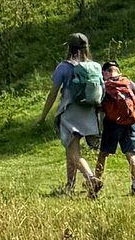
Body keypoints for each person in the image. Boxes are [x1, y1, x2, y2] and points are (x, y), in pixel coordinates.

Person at [39, 32, 105, 195]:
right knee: (70, 150)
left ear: (69, 48)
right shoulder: (95, 66)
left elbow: (53, 93)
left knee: (73, 152)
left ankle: (91, 179)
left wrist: (43, 115)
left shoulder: (64, 67)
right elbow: (102, 91)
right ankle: (69, 185)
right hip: (90, 113)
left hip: (70, 113)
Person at [92, 56, 135, 197]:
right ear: (118, 71)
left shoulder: (104, 85)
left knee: (103, 154)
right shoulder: (127, 82)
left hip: (112, 124)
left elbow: (98, 104)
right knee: (131, 155)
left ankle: (96, 185)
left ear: (105, 72)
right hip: (130, 122)